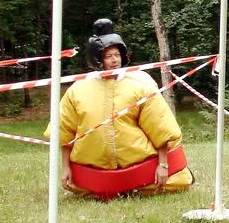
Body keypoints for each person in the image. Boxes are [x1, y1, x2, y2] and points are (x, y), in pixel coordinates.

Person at [46, 19, 194, 201]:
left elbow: (159, 127)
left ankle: (132, 186)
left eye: (117, 54)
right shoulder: (78, 90)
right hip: (94, 171)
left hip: (139, 163)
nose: (114, 60)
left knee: (177, 181)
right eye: (108, 56)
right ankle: (114, 188)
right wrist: (66, 167)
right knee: (82, 189)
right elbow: (65, 133)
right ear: (97, 59)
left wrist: (163, 165)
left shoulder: (140, 83)